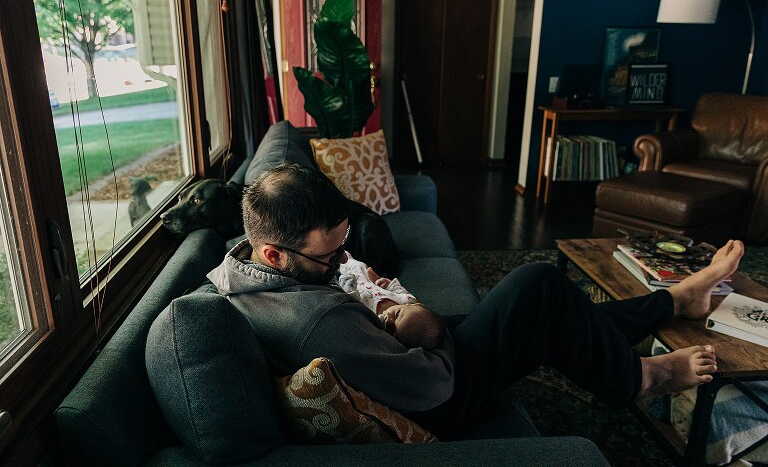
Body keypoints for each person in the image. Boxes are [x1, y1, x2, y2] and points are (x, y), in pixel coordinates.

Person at [207, 162, 743, 439]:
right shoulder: (314, 323)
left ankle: (673, 301)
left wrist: (380, 305)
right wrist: (422, 324)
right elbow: (433, 384)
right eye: (331, 254)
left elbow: (367, 328)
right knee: (536, 284)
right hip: (441, 397)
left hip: (399, 359)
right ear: (276, 255)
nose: (343, 259)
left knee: (548, 312)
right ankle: (638, 379)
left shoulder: (240, 269)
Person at [339, 252, 446, 349]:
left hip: (350, 288)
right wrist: (385, 283)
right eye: (398, 314)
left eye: (393, 330)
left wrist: (350, 292)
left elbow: (355, 312)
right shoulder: (408, 300)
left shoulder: (375, 324)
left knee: (337, 281)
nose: (389, 320)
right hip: (364, 279)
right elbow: (396, 288)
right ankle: (342, 254)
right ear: (416, 305)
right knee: (358, 266)